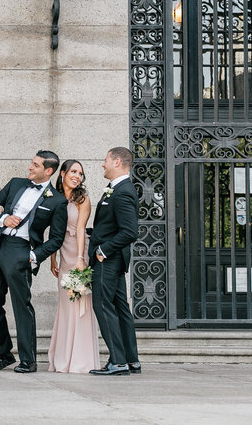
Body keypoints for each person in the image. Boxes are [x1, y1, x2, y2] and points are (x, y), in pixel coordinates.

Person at [0, 150, 67, 374]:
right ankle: (4, 355)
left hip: (21, 251)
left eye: (36, 165)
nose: (30, 167)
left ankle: (28, 360)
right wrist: (2, 218)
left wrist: (32, 256)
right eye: (31, 163)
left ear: (48, 171)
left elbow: (57, 239)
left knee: (22, 306)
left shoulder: (58, 201)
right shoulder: (16, 183)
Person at [89, 146, 141, 377]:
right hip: (114, 259)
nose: (103, 164)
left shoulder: (123, 192)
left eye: (106, 160)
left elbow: (130, 232)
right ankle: (131, 360)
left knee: (102, 305)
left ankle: (118, 362)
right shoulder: (117, 189)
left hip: (108, 260)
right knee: (121, 309)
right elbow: (110, 226)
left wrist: (102, 250)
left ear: (117, 162)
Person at [47, 159, 98, 374]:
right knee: (66, 305)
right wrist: (52, 259)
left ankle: (80, 360)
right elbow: (52, 231)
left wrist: (80, 258)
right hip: (62, 251)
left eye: (80, 173)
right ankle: (62, 359)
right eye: (73, 171)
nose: (77, 175)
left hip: (78, 250)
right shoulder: (53, 197)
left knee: (80, 305)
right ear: (63, 173)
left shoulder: (82, 199)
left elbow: (80, 229)